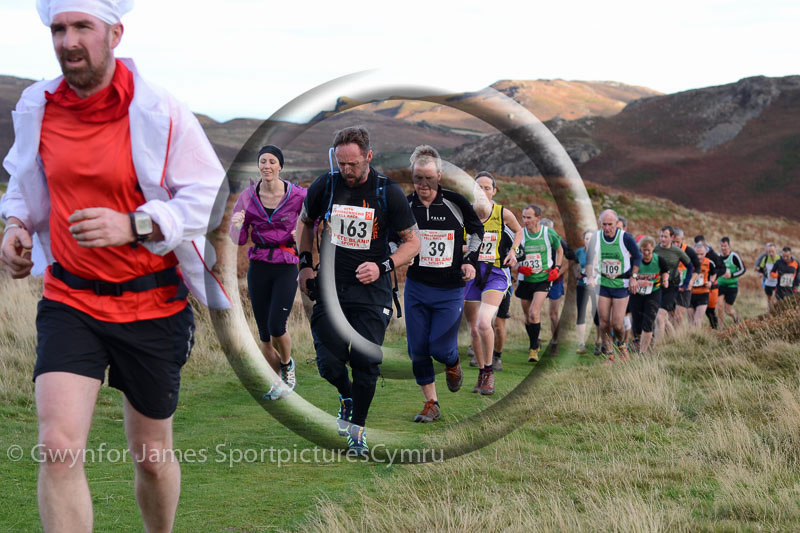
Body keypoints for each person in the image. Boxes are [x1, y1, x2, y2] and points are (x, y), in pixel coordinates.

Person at [0, 2, 228, 530]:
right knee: (58, 447)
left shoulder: (159, 110)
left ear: (115, 33)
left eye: (83, 26)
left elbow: (210, 196)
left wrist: (136, 224)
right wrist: (15, 225)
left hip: (152, 303)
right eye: (59, 28)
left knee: (151, 455)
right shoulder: (37, 106)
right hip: (70, 298)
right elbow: (25, 181)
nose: (68, 41)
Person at [297, 126, 420, 455]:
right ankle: (346, 395)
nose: (346, 170)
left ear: (368, 156)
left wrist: (383, 266)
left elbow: (413, 242)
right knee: (329, 364)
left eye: (352, 163)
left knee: (366, 363)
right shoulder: (326, 185)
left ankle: (357, 430)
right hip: (330, 288)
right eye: (341, 163)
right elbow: (305, 223)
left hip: (372, 291)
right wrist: (305, 264)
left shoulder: (387, 191)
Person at [401, 145, 482, 422]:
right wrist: (401, 253)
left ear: (439, 175)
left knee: (440, 348)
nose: (423, 184)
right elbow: (391, 237)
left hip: (449, 289)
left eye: (428, 178)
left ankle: (452, 361)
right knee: (417, 350)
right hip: (416, 288)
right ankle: (431, 403)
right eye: (418, 178)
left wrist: (470, 260)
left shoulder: (455, 203)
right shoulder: (405, 206)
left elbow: (477, 231)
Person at [230, 145, 306, 399]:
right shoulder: (247, 197)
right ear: (258, 165)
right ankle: (277, 383)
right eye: (263, 161)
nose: (267, 166)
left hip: (286, 264)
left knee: (276, 325)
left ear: (280, 166)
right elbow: (239, 239)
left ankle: (287, 366)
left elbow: (314, 218)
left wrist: (302, 232)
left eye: (272, 161)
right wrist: (236, 226)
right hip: (259, 266)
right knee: (264, 334)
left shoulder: (298, 195)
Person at [464, 171, 522, 394]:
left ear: (494, 191)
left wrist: (513, 251)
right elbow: (457, 240)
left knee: (483, 322)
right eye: (478, 187)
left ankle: (489, 372)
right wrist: (467, 248)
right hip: (471, 273)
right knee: (474, 329)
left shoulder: (502, 213)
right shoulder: (465, 213)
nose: (482, 191)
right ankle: (482, 372)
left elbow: (519, 231)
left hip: (496, 273)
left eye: (487, 188)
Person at [586, 209, 641, 361]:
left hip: (621, 284)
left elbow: (637, 257)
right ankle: (609, 355)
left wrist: (633, 277)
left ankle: (622, 345)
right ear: (600, 224)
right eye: (604, 224)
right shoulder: (596, 237)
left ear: (617, 223)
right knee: (604, 322)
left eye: (610, 224)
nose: (607, 228)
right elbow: (589, 260)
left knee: (617, 324)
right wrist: (590, 277)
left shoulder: (625, 237)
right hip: (603, 283)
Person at [515, 206, 563, 362]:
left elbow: (560, 250)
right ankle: (535, 342)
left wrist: (556, 268)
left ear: (538, 218)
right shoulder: (520, 234)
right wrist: (519, 267)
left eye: (529, 217)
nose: (525, 220)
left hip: (543, 279)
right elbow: (512, 256)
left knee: (534, 313)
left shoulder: (548, 233)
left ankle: (533, 348)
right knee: (527, 317)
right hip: (525, 280)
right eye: (523, 217)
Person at [540, 217, 575, 354]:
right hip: (537, 280)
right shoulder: (534, 240)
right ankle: (535, 341)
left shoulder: (559, 241)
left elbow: (572, 258)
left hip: (555, 282)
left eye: (549, 231)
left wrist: (559, 271)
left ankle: (555, 342)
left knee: (553, 314)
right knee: (533, 312)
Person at [628, 236, 668, 353]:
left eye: (648, 251)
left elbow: (665, 271)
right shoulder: (634, 261)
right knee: (637, 321)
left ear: (653, 249)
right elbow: (628, 275)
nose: (646, 253)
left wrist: (665, 279)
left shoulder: (659, 260)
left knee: (649, 319)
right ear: (640, 249)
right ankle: (639, 340)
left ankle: (643, 352)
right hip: (636, 293)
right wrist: (636, 281)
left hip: (654, 292)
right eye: (643, 250)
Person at [654, 226, 693, 340]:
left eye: (665, 237)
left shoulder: (677, 251)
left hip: (672, 286)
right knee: (662, 317)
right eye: (661, 236)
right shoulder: (655, 249)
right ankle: (674, 339)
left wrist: (686, 283)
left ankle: (658, 346)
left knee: (660, 316)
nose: (662, 239)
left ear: (671, 237)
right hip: (658, 285)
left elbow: (690, 266)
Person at [574, 229, 602, 355]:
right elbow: (575, 264)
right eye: (586, 239)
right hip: (582, 285)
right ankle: (581, 344)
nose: (589, 241)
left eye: (591, 239)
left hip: (597, 286)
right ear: (583, 240)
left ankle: (599, 341)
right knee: (581, 313)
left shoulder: (600, 252)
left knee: (597, 314)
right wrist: (577, 273)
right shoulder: (580, 252)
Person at [694, 234, 726, 329]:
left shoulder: (713, 256)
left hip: (711, 287)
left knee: (710, 310)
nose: (699, 248)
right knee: (695, 313)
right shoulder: (693, 256)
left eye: (701, 245)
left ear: (705, 244)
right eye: (697, 245)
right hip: (696, 289)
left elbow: (722, 269)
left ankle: (715, 329)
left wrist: (711, 280)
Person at [672, 227, 700, 325]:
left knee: (678, 316)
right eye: (673, 242)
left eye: (678, 242)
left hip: (685, 286)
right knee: (670, 315)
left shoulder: (689, 251)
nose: (675, 244)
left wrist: (691, 281)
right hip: (671, 286)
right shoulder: (666, 250)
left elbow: (697, 268)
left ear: (683, 239)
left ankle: (679, 334)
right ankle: (671, 334)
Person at [717, 236, 746, 326]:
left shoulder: (734, 256)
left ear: (729, 246)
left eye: (725, 246)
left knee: (728, 310)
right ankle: (721, 328)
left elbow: (743, 269)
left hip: (732, 286)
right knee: (719, 307)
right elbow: (714, 270)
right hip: (720, 285)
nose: (723, 248)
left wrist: (732, 275)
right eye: (722, 246)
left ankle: (735, 317)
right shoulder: (718, 257)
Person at [688, 242, 717, 328]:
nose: (699, 257)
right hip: (690, 293)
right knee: (690, 320)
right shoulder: (689, 262)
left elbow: (714, 273)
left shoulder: (709, 262)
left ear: (705, 253)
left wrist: (711, 282)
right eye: (697, 254)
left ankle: (697, 335)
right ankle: (690, 335)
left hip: (703, 293)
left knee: (697, 319)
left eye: (701, 254)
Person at [755, 242, 780, 313]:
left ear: (776, 251)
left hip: (776, 284)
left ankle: (772, 313)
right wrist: (760, 273)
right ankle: (771, 314)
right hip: (768, 283)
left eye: (772, 251)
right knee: (769, 301)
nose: (771, 253)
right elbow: (761, 268)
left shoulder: (780, 259)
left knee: (773, 300)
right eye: (769, 252)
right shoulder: (765, 259)